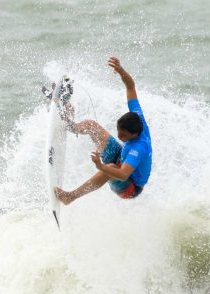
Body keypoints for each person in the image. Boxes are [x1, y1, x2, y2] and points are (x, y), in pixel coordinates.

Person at [53, 57, 152, 205]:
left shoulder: (138, 148)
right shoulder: (137, 117)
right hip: (121, 158)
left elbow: (123, 174)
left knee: (111, 168)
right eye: (119, 132)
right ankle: (69, 124)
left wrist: (101, 166)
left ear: (135, 134)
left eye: (123, 135)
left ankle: (70, 197)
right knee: (91, 125)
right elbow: (131, 87)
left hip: (130, 187)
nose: (119, 136)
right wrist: (121, 71)